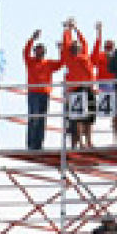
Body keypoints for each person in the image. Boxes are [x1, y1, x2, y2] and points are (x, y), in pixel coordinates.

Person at [22, 29, 62, 150]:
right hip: (34, 93)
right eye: (37, 51)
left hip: (45, 94)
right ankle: (31, 144)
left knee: (41, 120)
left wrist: (61, 49)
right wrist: (32, 39)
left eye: (41, 51)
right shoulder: (30, 62)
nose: (39, 53)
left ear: (44, 52)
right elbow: (25, 52)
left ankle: (38, 145)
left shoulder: (48, 63)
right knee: (34, 118)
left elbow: (61, 63)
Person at [61, 19, 97, 149]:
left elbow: (84, 42)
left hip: (88, 89)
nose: (76, 48)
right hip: (76, 89)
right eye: (74, 47)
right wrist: (67, 30)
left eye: (78, 47)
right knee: (78, 117)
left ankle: (88, 141)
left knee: (89, 118)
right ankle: (81, 142)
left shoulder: (84, 55)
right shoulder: (69, 58)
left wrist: (75, 29)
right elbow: (66, 43)